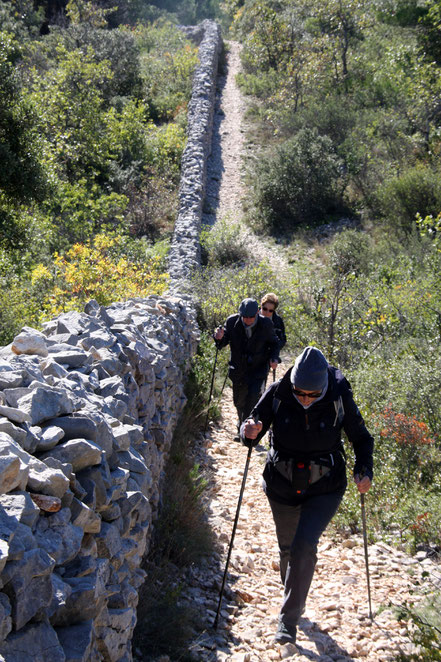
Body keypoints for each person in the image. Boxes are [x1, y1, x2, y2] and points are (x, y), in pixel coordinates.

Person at [241, 346, 374, 645]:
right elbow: (252, 425)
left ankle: (288, 619)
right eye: (300, 393)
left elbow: (362, 439)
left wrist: (364, 471)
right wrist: (249, 431)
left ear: (324, 388)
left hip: (325, 486)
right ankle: (294, 592)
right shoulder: (278, 392)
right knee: (287, 549)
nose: (304, 399)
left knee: (304, 546)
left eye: (312, 395)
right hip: (281, 485)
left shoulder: (339, 396)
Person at [214, 298, 279, 439]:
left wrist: (274, 358)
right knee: (238, 400)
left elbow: (274, 343)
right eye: (245, 317)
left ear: (257, 312)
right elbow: (222, 343)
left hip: (258, 368)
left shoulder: (266, 323)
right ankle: (241, 420)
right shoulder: (232, 322)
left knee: (253, 397)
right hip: (238, 369)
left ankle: (245, 429)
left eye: (251, 316)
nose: (248, 320)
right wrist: (218, 337)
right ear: (240, 314)